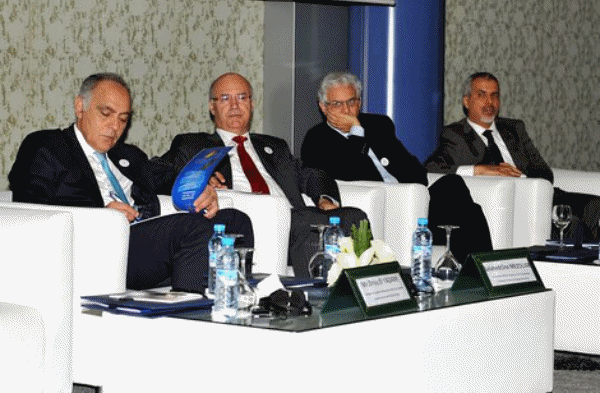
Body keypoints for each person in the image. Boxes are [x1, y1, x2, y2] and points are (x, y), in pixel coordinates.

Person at [9, 73, 253, 294]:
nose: (114, 127)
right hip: (98, 247)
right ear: (80, 106)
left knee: (235, 220)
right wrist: (100, 214)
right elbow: (30, 208)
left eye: (123, 119)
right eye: (106, 114)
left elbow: (168, 177)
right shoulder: (48, 146)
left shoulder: (128, 156)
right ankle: (191, 313)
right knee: (190, 228)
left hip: (143, 242)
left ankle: (232, 301)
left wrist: (202, 187)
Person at [158, 72, 369, 277]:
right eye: (225, 99)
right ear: (212, 107)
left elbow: (311, 174)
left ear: (251, 104)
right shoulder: (194, 145)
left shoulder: (274, 146)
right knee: (306, 223)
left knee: (355, 217)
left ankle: (360, 290)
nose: (234, 106)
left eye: (242, 98)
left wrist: (325, 198)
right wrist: (198, 179)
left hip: (294, 219)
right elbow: (160, 172)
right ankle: (317, 294)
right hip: (250, 226)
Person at [301, 72, 493, 264]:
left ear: (359, 102)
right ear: (324, 107)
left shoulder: (378, 125)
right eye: (337, 104)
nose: (346, 110)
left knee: (453, 187)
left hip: (414, 203)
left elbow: (418, 173)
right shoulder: (316, 140)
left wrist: (383, 154)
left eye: (351, 102)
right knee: (460, 216)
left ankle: (483, 266)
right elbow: (352, 173)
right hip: (381, 212)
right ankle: (477, 267)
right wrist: (357, 133)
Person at [425, 71, 600, 240]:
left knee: (595, 206)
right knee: (571, 224)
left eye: (494, 95)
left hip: (538, 196)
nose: (490, 102)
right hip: (505, 203)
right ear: (466, 101)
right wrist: (480, 170)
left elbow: (544, 172)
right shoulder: (455, 134)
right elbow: (431, 168)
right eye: (482, 95)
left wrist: (525, 182)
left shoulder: (514, 129)